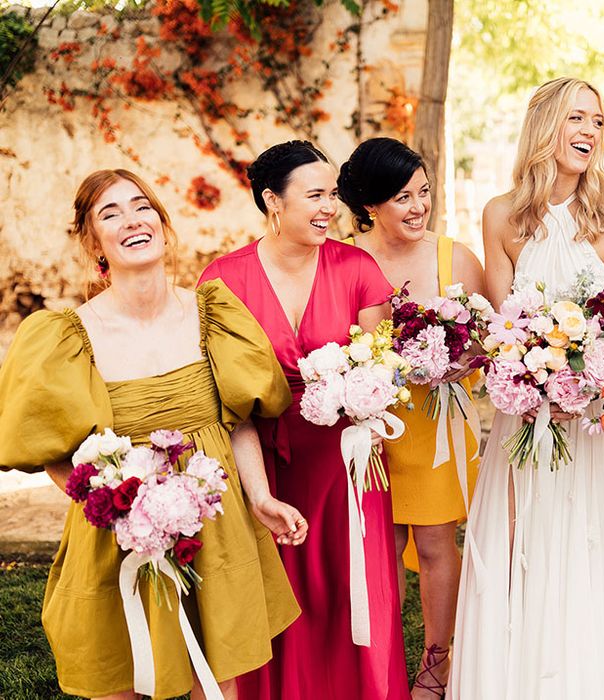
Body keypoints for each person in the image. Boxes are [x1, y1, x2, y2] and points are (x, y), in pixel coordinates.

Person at [0, 169, 307, 700]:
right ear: (93, 242)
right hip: (120, 532)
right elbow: (54, 452)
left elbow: (232, 422)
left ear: (163, 224)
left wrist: (260, 496)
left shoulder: (213, 314)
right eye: (109, 213)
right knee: (125, 675)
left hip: (213, 520)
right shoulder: (68, 336)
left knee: (216, 679)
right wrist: (118, 508)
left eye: (141, 206)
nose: (131, 220)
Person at [448, 77, 604, 699]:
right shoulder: (501, 215)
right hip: (525, 418)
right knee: (522, 545)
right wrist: (531, 375)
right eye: (575, 118)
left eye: (597, 121)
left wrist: (584, 384)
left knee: (588, 548)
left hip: (593, 422)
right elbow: (504, 324)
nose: (589, 131)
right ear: (544, 127)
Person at [198, 141, 410, 700]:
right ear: (272, 200)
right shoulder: (222, 281)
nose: (328, 208)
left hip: (347, 463)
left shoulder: (358, 268)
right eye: (313, 194)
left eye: (332, 194)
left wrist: (361, 392)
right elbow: (216, 388)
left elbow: (382, 367)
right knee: (274, 592)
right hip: (261, 459)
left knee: (351, 589)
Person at [337, 136, 484, 698]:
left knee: (433, 544)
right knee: (376, 545)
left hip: (435, 426)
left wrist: (455, 362)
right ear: (371, 205)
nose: (419, 207)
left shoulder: (457, 258)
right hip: (369, 429)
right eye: (403, 197)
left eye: (424, 193)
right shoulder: (346, 258)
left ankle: (437, 664)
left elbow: (492, 339)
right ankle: (381, 665)